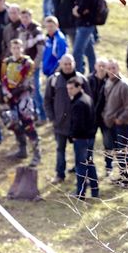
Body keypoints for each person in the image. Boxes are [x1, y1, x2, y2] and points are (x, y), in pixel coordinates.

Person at [44, 54, 90, 184]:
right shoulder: (54, 80)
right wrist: (52, 117)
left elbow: (89, 100)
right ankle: (60, 174)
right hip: (60, 123)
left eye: (70, 64)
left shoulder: (81, 79)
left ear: (74, 63)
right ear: (60, 64)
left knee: (80, 151)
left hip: (78, 124)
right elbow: (47, 100)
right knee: (60, 150)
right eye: (65, 64)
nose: (68, 66)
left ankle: (82, 176)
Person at [1, 39, 41, 166]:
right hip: (11, 97)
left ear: (22, 48)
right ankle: (22, 149)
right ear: (10, 49)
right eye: (14, 48)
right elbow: (3, 79)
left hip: (24, 97)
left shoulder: (27, 63)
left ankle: (37, 154)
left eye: (18, 48)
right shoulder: (6, 62)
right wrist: (6, 92)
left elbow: (27, 81)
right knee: (14, 122)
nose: (16, 50)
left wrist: (14, 92)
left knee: (28, 124)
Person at [102, 59, 128, 187]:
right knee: (118, 152)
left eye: (113, 68)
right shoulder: (108, 83)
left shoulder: (124, 85)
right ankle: (123, 177)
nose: (111, 71)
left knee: (124, 152)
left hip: (122, 125)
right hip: (112, 124)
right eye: (109, 68)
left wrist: (120, 119)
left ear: (118, 69)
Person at [67, 76, 99, 199]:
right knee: (90, 163)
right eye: (68, 88)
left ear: (79, 87)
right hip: (89, 137)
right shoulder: (87, 98)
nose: (69, 91)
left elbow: (77, 123)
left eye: (71, 88)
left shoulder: (79, 103)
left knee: (81, 166)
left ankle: (81, 193)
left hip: (81, 138)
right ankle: (95, 191)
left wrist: (73, 136)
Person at [17, 9, 46, 123]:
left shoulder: (36, 31)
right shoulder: (21, 30)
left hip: (34, 65)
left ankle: (43, 115)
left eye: (26, 17)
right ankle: (35, 114)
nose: (24, 19)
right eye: (22, 17)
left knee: (36, 90)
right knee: (28, 91)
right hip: (23, 65)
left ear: (31, 17)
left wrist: (34, 65)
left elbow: (41, 51)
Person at [88, 58, 113, 176]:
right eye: (100, 65)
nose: (102, 68)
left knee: (108, 142)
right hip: (92, 117)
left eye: (104, 66)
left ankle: (109, 166)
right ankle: (88, 165)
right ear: (95, 66)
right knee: (89, 143)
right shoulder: (88, 80)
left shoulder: (110, 80)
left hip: (105, 117)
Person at [72, 0, 98, 75]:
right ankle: (93, 73)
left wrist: (77, 11)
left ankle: (78, 74)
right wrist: (78, 10)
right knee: (90, 53)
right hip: (85, 26)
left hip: (85, 27)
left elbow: (80, 10)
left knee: (77, 52)